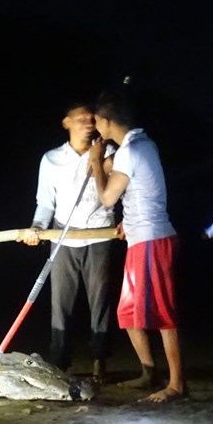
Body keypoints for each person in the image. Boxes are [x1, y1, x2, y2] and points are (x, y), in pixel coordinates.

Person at [88, 87, 187, 403]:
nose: (96, 129)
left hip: (151, 239)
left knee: (163, 313)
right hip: (140, 236)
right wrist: (127, 222)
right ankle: (149, 373)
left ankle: (177, 384)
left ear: (106, 122)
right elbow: (142, 191)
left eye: (97, 122)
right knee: (128, 312)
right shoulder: (142, 145)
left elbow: (107, 198)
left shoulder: (131, 152)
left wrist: (94, 163)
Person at [17, 99, 116, 380]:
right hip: (63, 235)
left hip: (99, 232)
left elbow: (121, 189)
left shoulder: (109, 152)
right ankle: (60, 360)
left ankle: (99, 360)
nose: (88, 122)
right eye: (81, 118)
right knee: (60, 304)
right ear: (66, 123)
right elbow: (45, 201)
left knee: (100, 301)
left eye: (91, 118)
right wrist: (37, 227)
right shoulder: (51, 159)